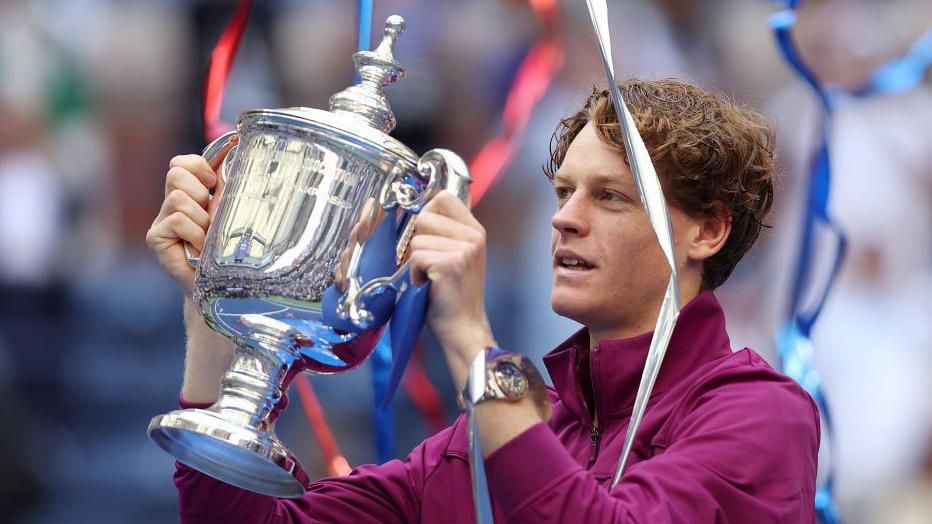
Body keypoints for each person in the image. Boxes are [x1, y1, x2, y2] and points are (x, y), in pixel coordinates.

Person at [146, 78, 819, 523]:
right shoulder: (491, 434)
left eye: (609, 196)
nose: (565, 218)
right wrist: (215, 309)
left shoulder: (761, 416)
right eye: (563, 192)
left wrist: (469, 338)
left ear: (708, 229)